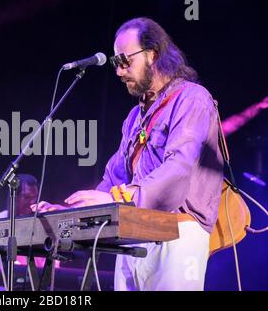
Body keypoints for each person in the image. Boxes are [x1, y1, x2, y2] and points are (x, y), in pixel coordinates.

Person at [33, 17, 224, 291]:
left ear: (152, 55)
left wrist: (117, 197)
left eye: (125, 60)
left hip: (179, 232)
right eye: (115, 63)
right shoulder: (136, 116)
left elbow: (178, 169)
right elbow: (114, 177)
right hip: (134, 233)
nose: (119, 71)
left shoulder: (192, 98)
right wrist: (72, 212)